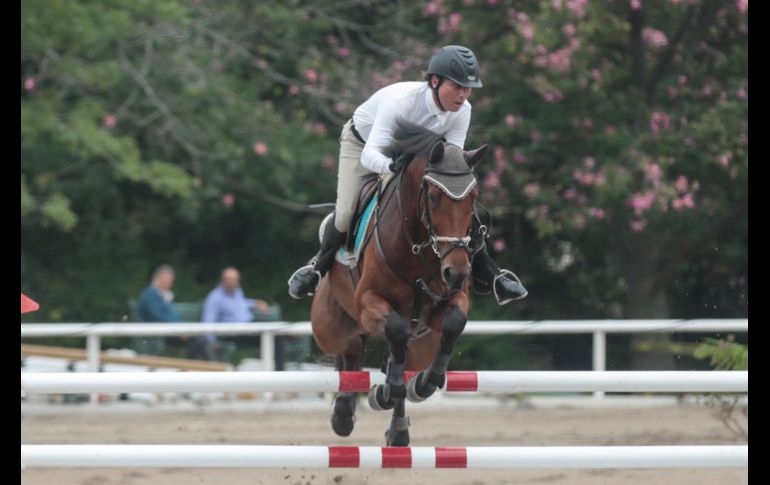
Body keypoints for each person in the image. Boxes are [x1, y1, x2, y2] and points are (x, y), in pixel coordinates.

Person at [288, 45, 528, 305]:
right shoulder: (401, 103)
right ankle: (316, 268)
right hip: (363, 145)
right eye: (457, 86)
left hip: (412, 154)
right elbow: (371, 155)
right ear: (435, 81)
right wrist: (391, 168)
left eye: (467, 88)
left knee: (456, 201)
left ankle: (490, 274)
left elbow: (452, 164)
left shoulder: (463, 110)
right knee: (346, 213)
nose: (463, 95)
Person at [194, 267, 272, 362]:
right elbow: (208, 321)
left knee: (275, 335)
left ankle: (277, 370)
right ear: (222, 280)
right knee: (274, 337)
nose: (231, 282)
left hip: (249, 327)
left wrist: (255, 302)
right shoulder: (215, 297)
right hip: (235, 333)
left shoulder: (237, 292)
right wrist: (211, 342)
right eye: (228, 279)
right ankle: (278, 372)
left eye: (234, 279)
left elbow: (240, 304)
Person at [135, 264, 180, 355]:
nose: (170, 282)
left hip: (165, 332)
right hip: (153, 335)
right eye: (167, 279)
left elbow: (173, 316)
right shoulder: (150, 295)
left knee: (196, 339)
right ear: (157, 278)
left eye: (171, 279)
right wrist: (179, 329)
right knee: (197, 341)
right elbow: (157, 316)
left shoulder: (166, 295)